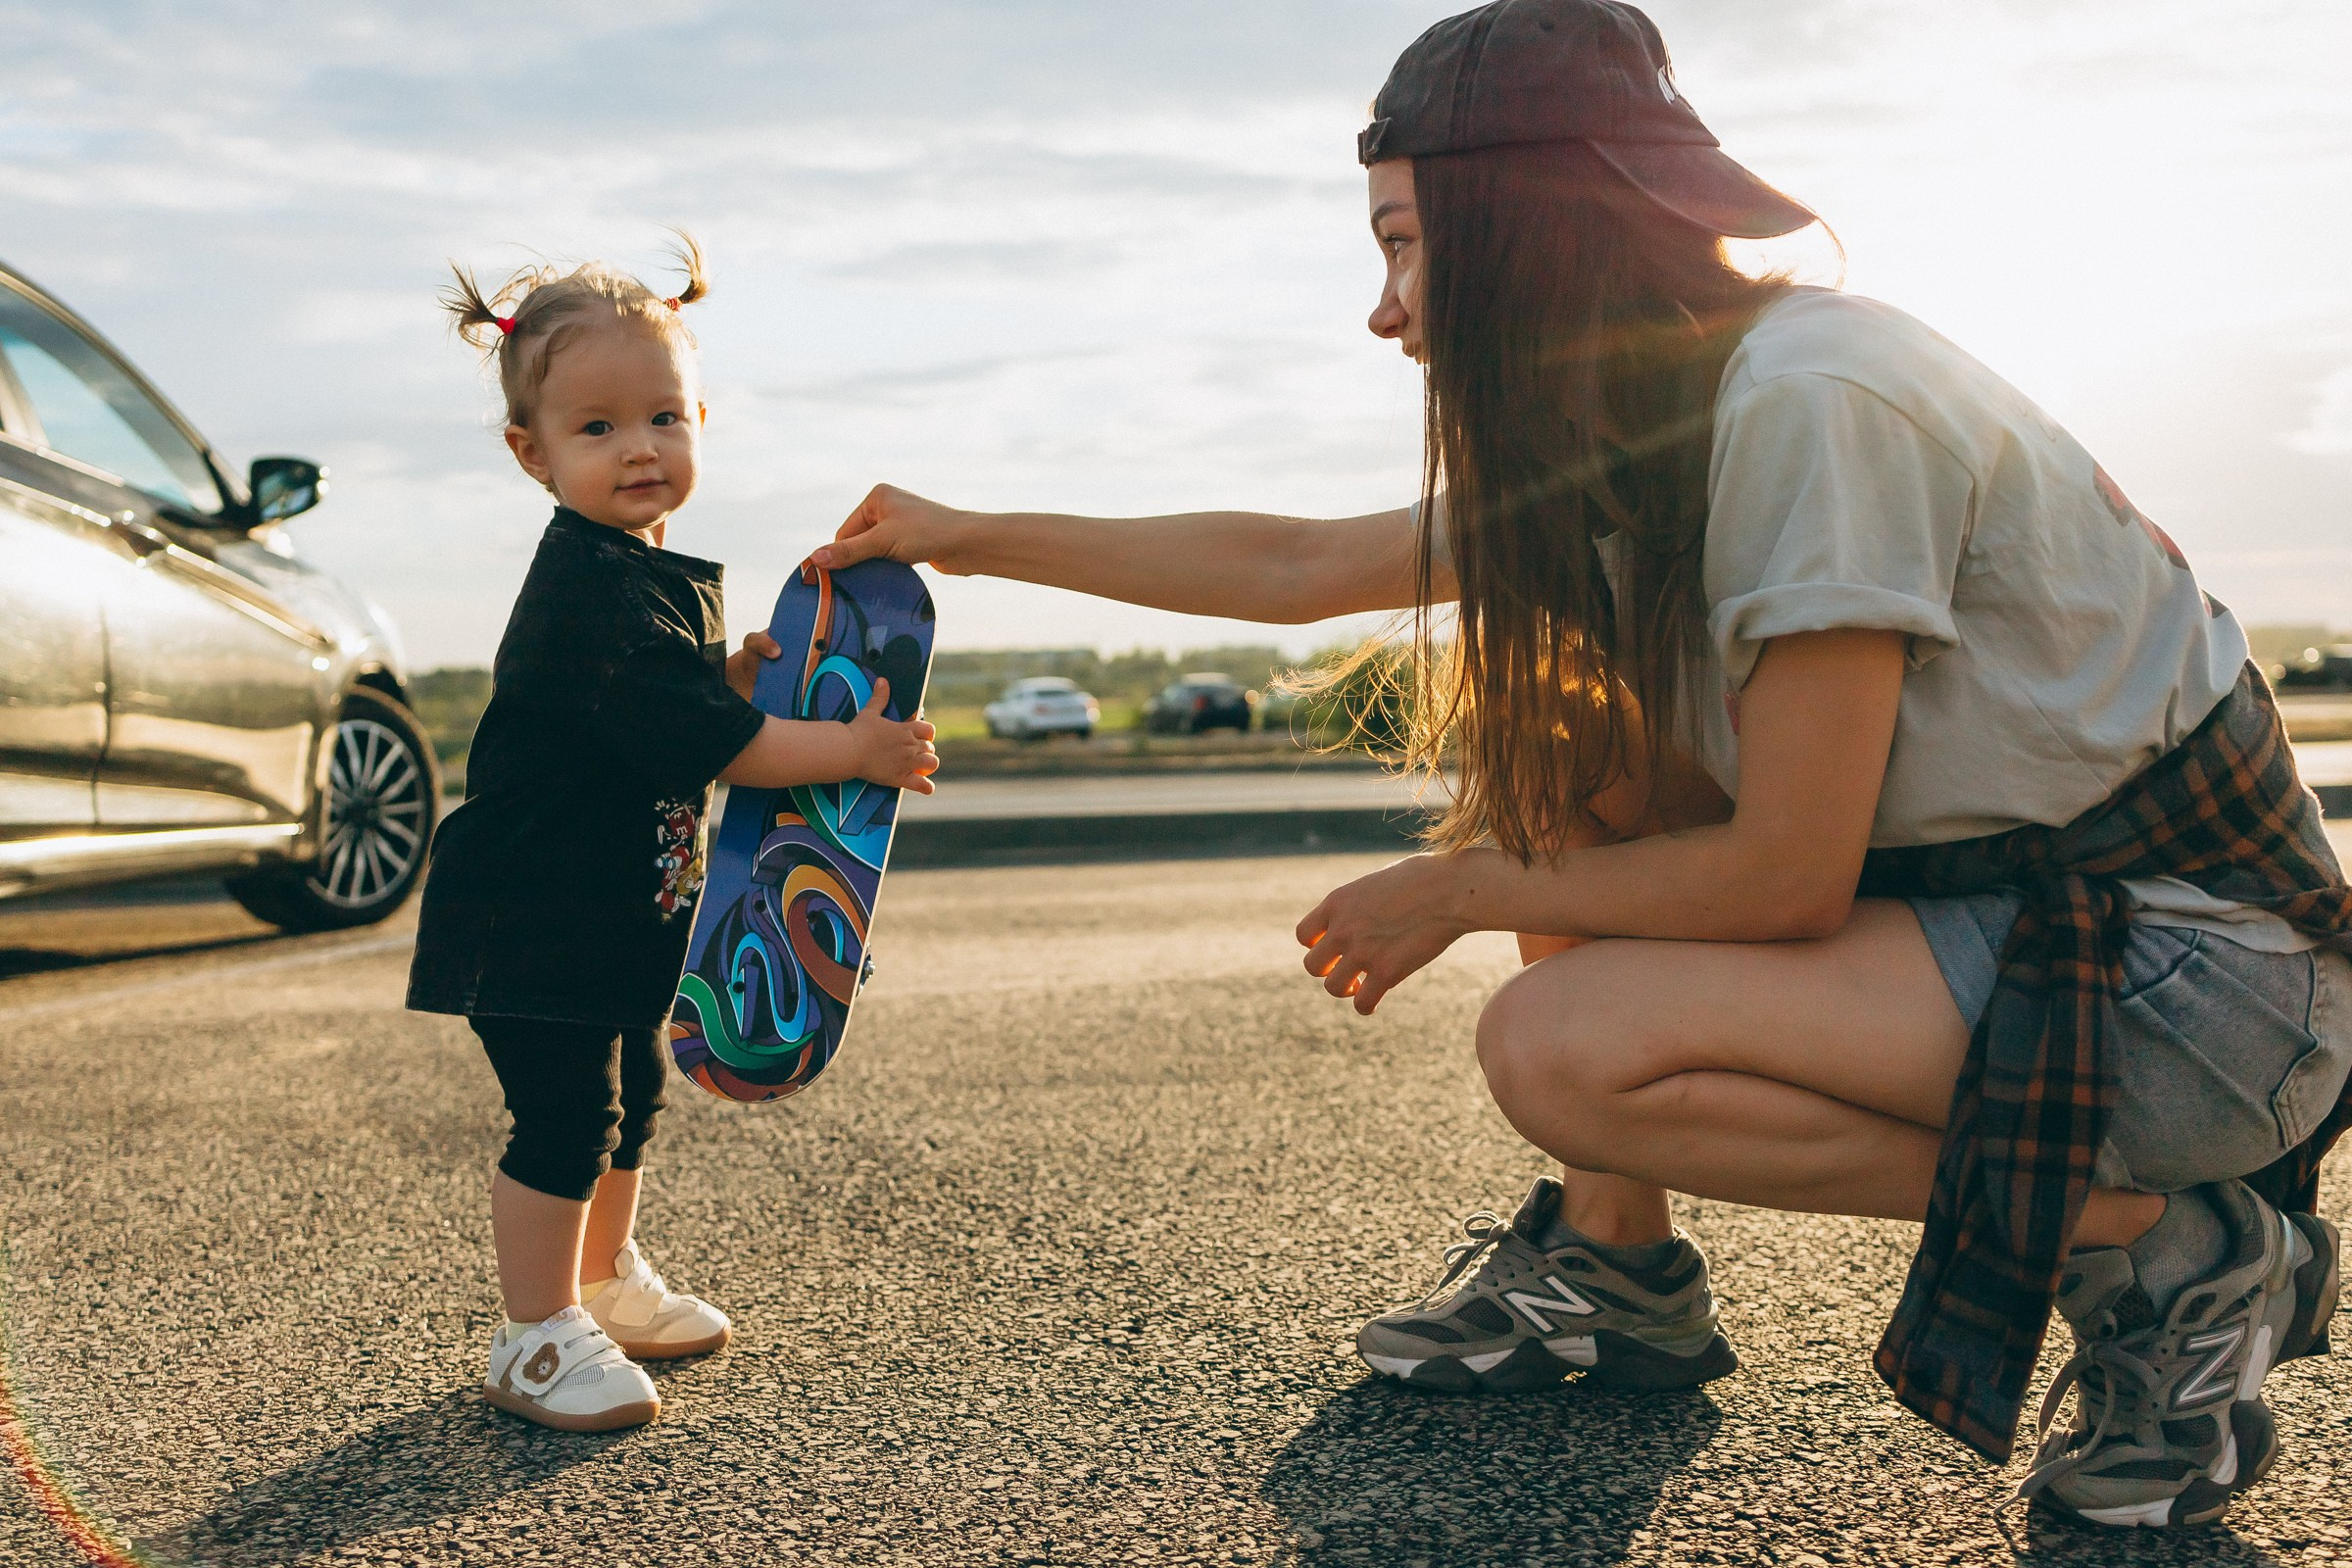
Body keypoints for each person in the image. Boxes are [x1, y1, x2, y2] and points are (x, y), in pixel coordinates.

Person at [817, 0, 2351, 1529]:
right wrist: (964, 534)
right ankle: (1618, 1278)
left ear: (1529, 223)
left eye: (1408, 244)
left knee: (1560, 1045)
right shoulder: (1661, 414)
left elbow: (1787, 876)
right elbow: (1297, 560)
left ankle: (2171, 1249)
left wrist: (1464, 887)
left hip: (2207, 987)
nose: (1386, 308)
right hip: (2048, 923)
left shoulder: (1815, 400)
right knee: (1583, 777)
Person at [407, 240, 939, 1433]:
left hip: (609, 903)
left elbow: (668, 702)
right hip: (531, 909)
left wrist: (731, 665)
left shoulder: (643, 573)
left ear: (699, 415)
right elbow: (724, 747)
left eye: (660, 415)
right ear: (530, 454)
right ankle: (534, 1332)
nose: (638, 447)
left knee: (635, 1092)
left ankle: (605, 1280)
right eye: (596, 429)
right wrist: (851, 752)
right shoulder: (590, 587)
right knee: (564, 1118)